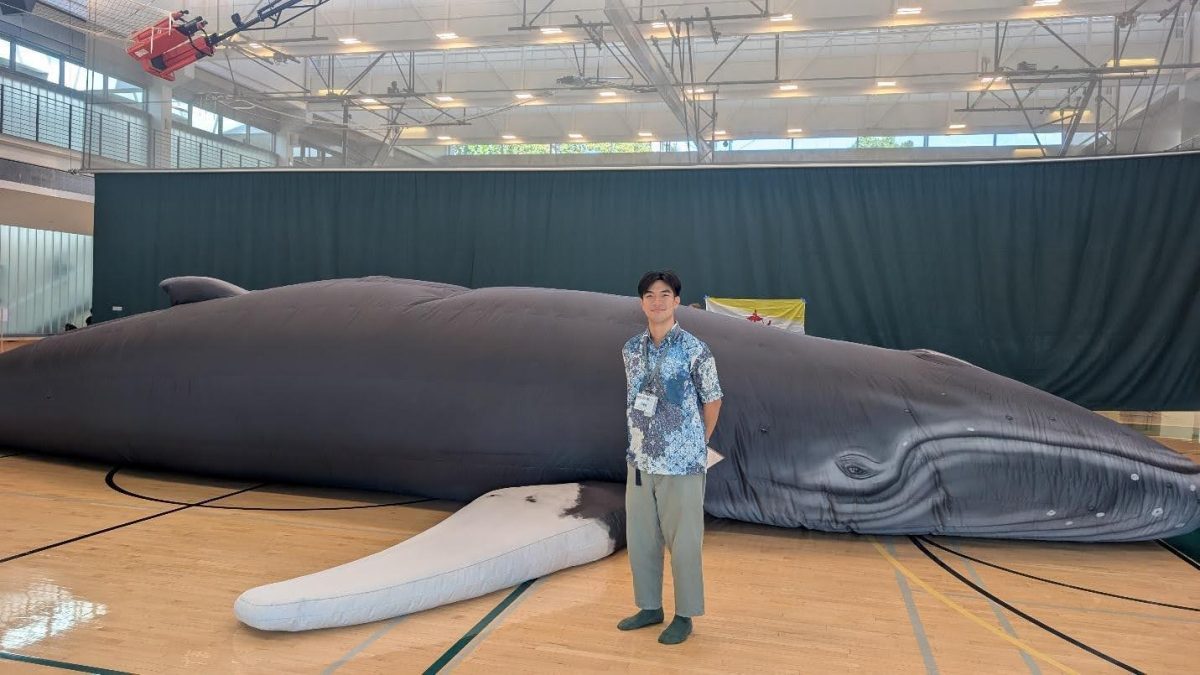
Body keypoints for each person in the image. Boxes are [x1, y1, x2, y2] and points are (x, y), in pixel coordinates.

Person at [618, 270, 723, 645]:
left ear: (676, 301)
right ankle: (649, 606)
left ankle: (684, 614)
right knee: (642, 539)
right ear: (642, 302)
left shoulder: (695, 349)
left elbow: (713, 399)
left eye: (665, 295)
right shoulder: (631, 350)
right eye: (649, 295)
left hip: (682, 464)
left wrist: (696, 442)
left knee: (684, 542)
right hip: (641, 459)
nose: (657, 301)